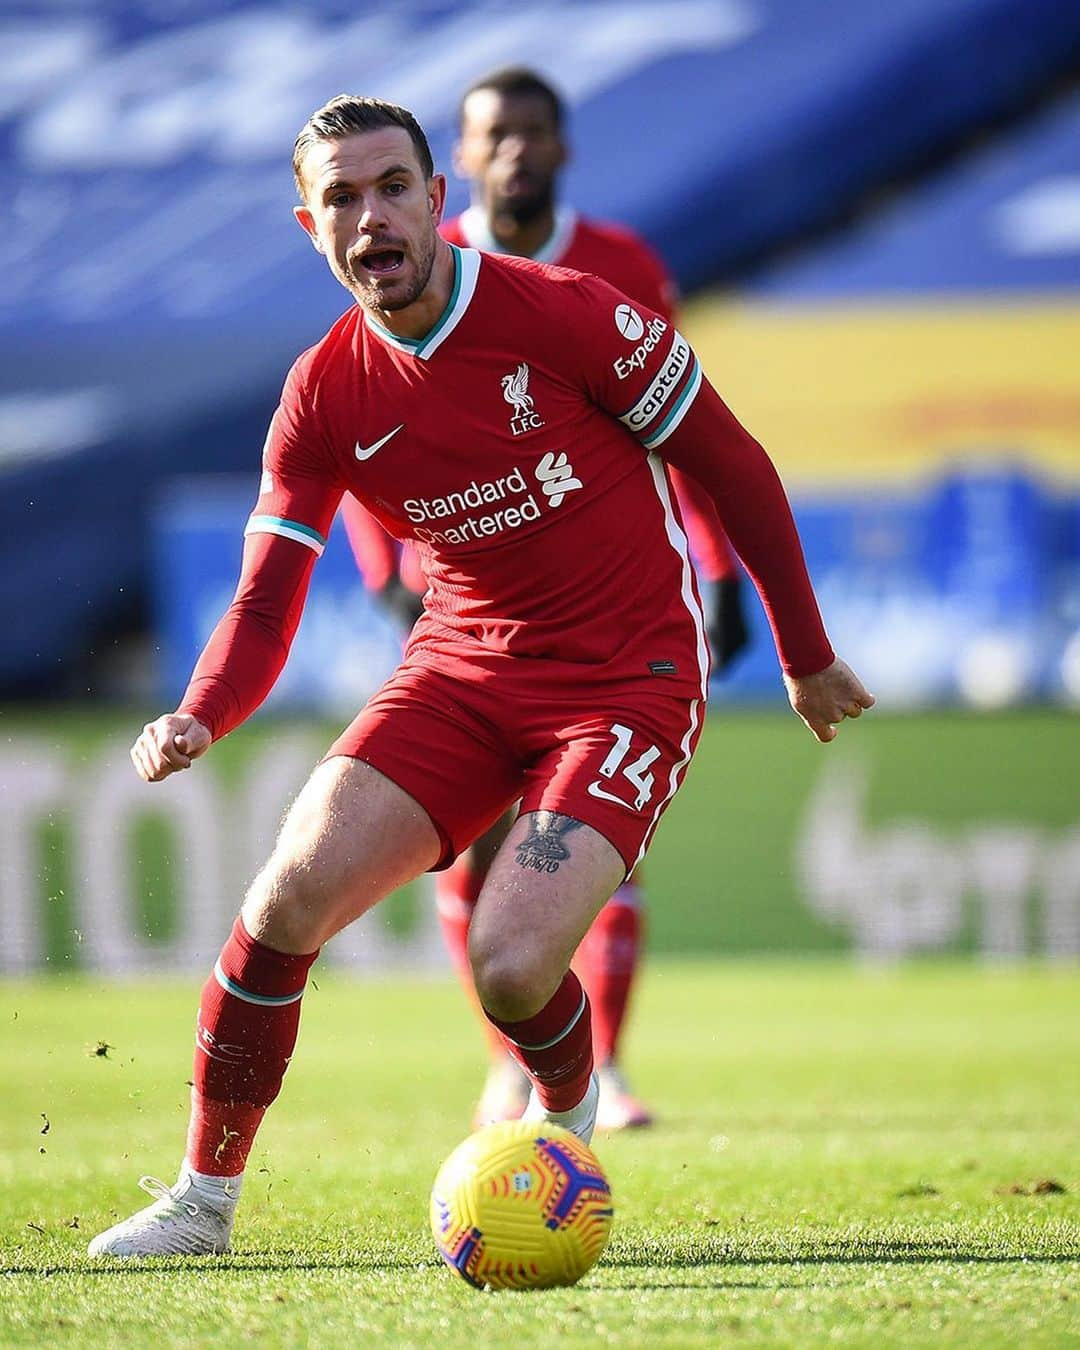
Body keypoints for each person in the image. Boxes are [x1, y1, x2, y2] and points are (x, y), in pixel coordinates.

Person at [88, 94, 873, 1258]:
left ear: (437, 201)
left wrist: (804, 656)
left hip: (628, 676)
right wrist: (201, 712)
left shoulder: (565, 314)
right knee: (282, 904)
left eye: (392, 187)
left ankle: (563, 1114)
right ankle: (202, 1207)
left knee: (512, 969)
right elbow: (266, 595)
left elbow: (736, 465)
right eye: (342, 198)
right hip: (460, 670)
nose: (372, 217)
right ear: (311, 227)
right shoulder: (324, 393)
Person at [339, 67, 750, 1132]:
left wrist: (718, 564)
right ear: (458, 164)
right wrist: (386, 578)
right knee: (474, 844)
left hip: (606, 605)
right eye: (493, 135)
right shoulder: (413, 262)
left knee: (593, 833)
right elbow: (355, 432)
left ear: (563, 149)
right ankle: (503, 1064)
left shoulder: (618, 267)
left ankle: (601, 1068)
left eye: (533, 133)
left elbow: (685, 430)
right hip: (466, 614)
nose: (514, 150)